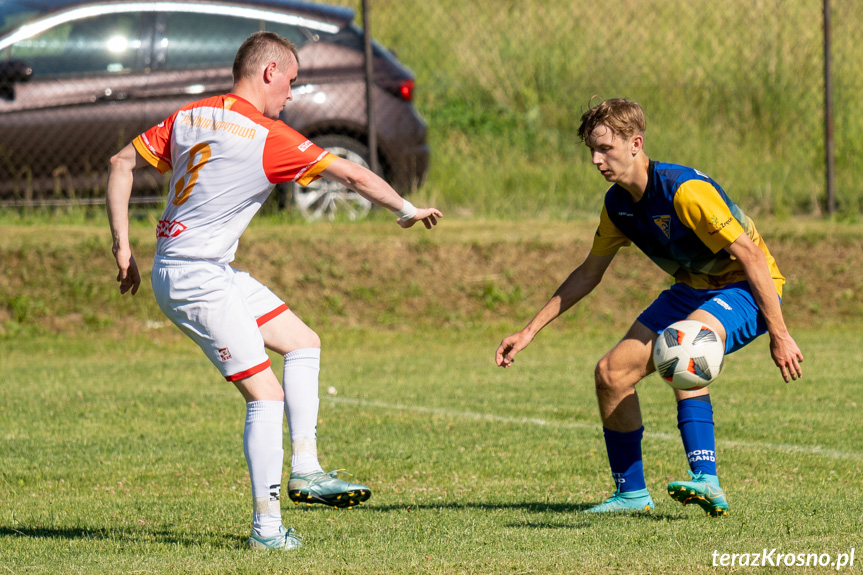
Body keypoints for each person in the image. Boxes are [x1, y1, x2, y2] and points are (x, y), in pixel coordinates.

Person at [106, 31, 442, 551]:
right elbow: (351, 175)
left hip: (199, 268)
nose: (290, 94)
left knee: (303, 342)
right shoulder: (268, 135)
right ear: (269, 72)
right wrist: (406, 210)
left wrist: (123, 247)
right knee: (265, 395)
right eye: (291, 81)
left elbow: (119, 164)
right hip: (198, 278)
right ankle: (266, 530)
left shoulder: (191, 115)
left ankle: (306, 468)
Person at [495, 98, 802, 517]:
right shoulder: (617, 206)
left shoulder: (683, 190)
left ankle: (706, 481)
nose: (596, 160)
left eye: (605, 149)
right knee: (611, 373)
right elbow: (589, 273)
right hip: (691, 289)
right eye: (591, 150)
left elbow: (749, 255)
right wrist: (528, 331)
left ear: (636, 143)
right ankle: (631, 494)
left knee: (686, 344)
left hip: (745, 286)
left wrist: (780, 334)